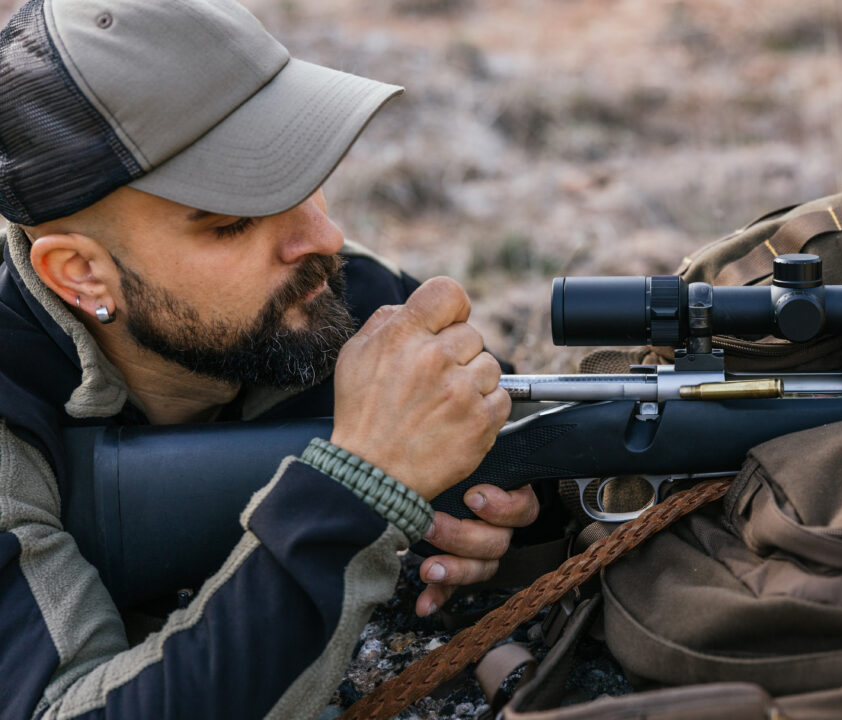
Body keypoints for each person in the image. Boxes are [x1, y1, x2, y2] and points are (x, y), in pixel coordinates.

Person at [0, 0, 540, 717]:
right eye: (234, 223)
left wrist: (513, 521)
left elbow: (540, 463)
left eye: (301, 172)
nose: (322, 236)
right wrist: (359, 489)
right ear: (82, 275)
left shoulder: (331, 300)